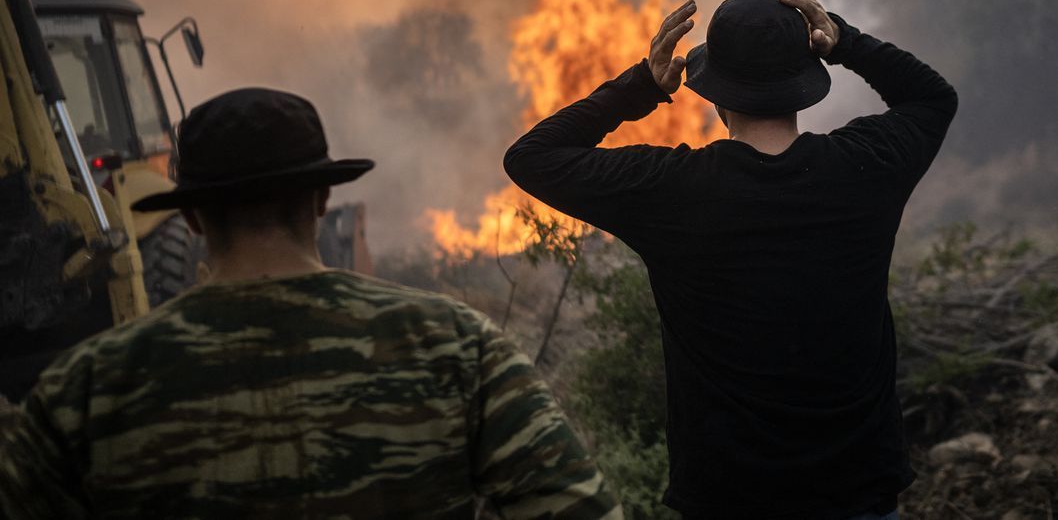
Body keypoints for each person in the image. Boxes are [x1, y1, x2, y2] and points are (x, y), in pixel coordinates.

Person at [0, 87, 620, 520]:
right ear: (323, 198)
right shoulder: (455, 347)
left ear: (188, 216)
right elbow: (578, 508)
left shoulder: (88, 388)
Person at [504, 0, 958, 520]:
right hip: (859, 493)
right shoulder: (866, 168)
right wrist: (845, 42)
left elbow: (531, 157)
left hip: (728, 500)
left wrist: (640, 87)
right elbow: (933, 98)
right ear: (806, 78)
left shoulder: (670, 190)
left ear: (714, 92)